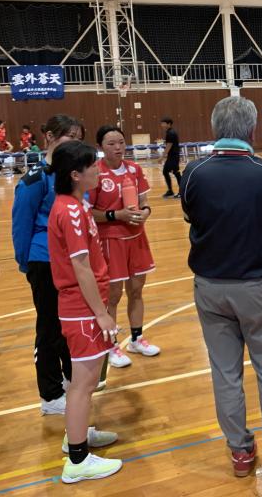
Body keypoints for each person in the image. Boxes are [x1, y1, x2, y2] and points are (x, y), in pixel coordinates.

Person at [180, 95, 262, 480]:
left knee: (224, 372)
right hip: (256, 286)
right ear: (252, 130)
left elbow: (190, 214)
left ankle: (240, 451)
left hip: (210, 287)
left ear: (215, 129)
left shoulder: (194, 172)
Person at [47, 140, 121, 484]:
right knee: (83, 384)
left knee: (84, 383)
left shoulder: (74, 205)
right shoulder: (71, 211)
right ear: (75, 175)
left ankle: (76, 435)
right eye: (92, 165)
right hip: (81, 308)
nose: (98, 170)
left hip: (82, 305)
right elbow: (81, 266)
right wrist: (101, 313)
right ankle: (77, 460)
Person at [12, 114, 83, 415]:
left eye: (79, 138)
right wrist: (27, 264)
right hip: (44, 261)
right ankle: (50, 395)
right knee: (49, 328)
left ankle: (69, 380)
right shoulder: (35, 179)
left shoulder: (73, 177)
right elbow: (21, 225)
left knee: (68, 326)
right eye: (70, 136)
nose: (75, 143)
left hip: (72, 262)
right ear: (51, 137)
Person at [89, 126, 159, 369]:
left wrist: (146, 212)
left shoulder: (134, 169)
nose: (118, 147)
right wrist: (115, 215)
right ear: (100, 146)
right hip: (111, 241)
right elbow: (89, 211)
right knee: (113, 296)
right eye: (111, 143)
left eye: (121, 142)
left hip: (136, 237)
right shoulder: (95, 172)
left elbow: (144, 202)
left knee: (137, 291)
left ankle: (137, 339)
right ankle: (111, 346)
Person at [158, 117, 181, 199]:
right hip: (172, 156)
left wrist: (162, 157)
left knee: (176, 173)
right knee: (166, 171)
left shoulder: (170, 133)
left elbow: (169, 146)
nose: (162, 125)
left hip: (173, 157)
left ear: (169, 124)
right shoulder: (169, 132)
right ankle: (170, 191)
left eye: (163, 123)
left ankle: (182, 192)